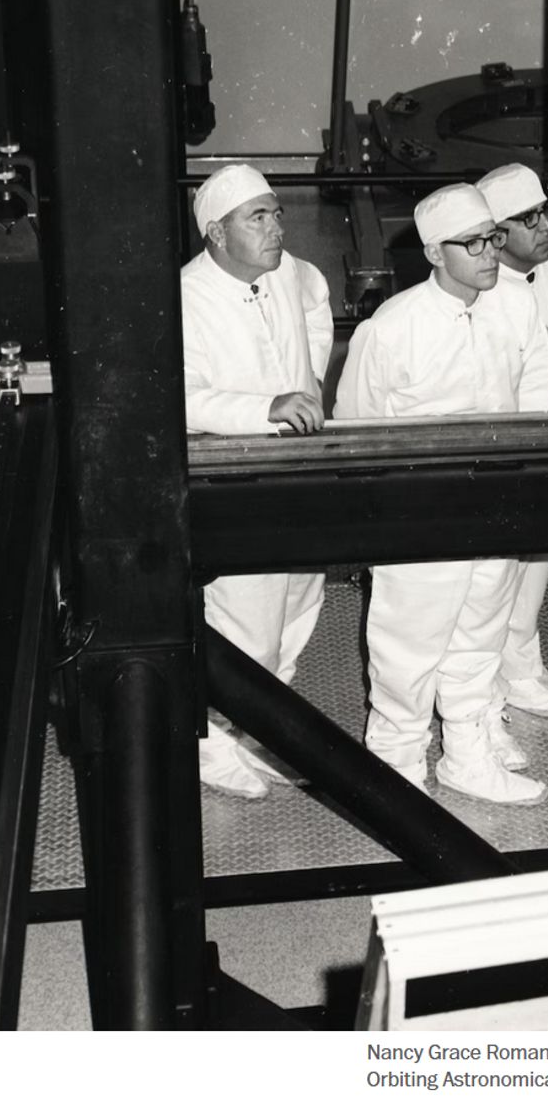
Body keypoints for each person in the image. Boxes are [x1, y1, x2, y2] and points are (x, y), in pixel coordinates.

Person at [333, 184, 543, 804]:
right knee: (410, 645)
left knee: (480, 636)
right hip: (419, 512)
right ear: (433, 252)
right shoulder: (392, 329)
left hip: (494, 501)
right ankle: (394, 768)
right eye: (473, 243)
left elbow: (534, 396)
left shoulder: (510, 309)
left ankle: (466, 754)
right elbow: (357, 430)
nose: (489, 253)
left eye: (493, 238)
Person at [181, 163, 333, 798]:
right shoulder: (185, 298)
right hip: (235, 477)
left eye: (276, 213)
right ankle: (211, 745)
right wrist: (265, 408)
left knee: (301, 597)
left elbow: (319, 306)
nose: (277, 228)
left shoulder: (289, 270)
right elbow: (176, 397)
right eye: (259, 218)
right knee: (247, 619)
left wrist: (311, 379)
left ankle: (262, 727)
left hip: (297, 470)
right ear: (216, 233)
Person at [474, 164, 548, 760]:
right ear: (493, 232)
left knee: (537, 566)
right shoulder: (485, 293)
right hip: (510, 459)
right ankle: (485, 695)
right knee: (492, 583)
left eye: (547, 212)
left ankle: (523, 665)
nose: (544, 227)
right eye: (527, 219)